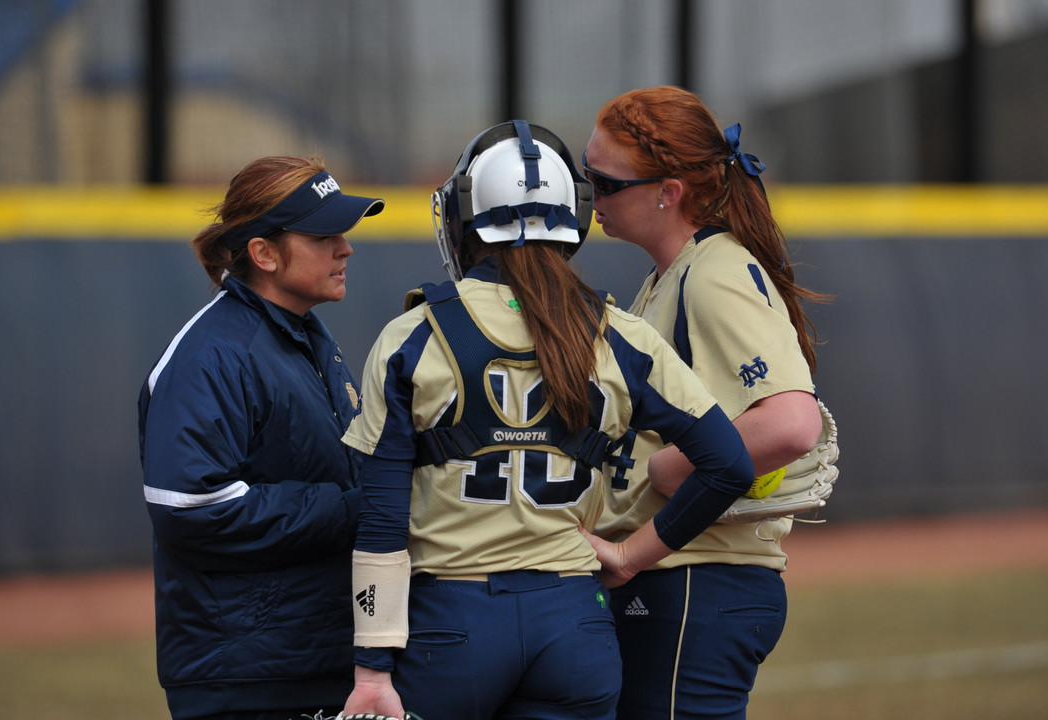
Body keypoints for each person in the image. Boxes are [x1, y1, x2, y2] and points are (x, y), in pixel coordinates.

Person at [335, 120, 755, 720]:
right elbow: (730, 463)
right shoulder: (622, 336)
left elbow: (381, 518)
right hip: (573, 622)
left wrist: (372, 666)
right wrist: (633, 554)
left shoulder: (414, 337)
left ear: (466, 216)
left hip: (451, 627)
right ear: (576, 219)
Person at [580, 86, 832, 720]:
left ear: (669, 191)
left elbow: (791, 422)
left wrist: (668, 473)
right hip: (685, 577)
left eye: (606, 183)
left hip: (699, 578)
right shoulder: (670, 275)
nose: (592, 196)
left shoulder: (714, 272)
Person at [137, 155, 384, 720]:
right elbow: (191, 505)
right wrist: (353, 508)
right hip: (246, 677)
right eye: (324, 235)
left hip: (311, 659)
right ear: (264, 253)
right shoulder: (211, 354)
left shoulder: (306, 338)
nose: (345, 248)